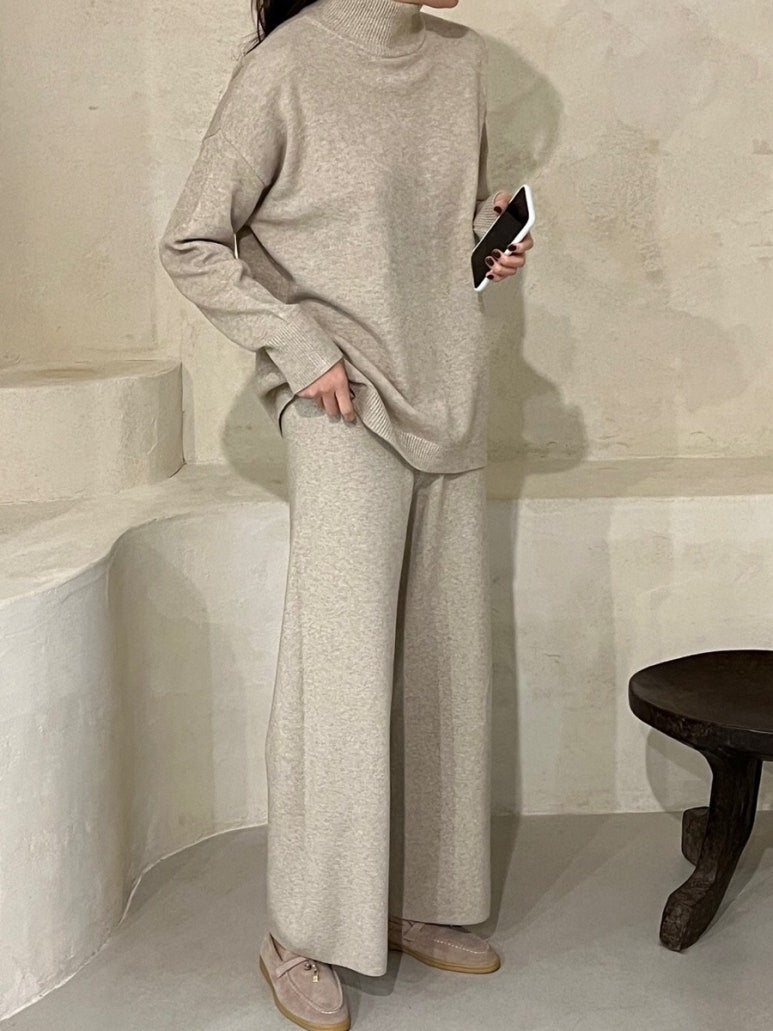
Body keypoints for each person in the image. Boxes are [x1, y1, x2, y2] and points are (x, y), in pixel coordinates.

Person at [159, 0, 534, 1027]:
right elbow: (192, 240)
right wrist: (297, 344)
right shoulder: (286, 66)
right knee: (341, 677)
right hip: (339, 401)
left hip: (446, 383)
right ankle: (303, 930)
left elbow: (411, 231)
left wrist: (482, 239)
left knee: (440, 660)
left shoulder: (456, 62)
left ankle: (409, 898)